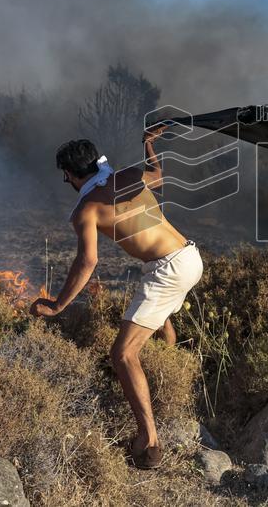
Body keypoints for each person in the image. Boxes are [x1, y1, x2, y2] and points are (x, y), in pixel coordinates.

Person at [30, 127, 202, 470]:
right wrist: (149, 145)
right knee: (159, 318)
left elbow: (87, 262)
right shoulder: (128, 175)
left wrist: (58, 304)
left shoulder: (86, 210)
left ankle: (148, 441)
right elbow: (159, 175)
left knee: (122, 354)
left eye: (65, 177)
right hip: (190, 257)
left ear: (70, 174)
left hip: (167, 269)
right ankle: (172, 377)